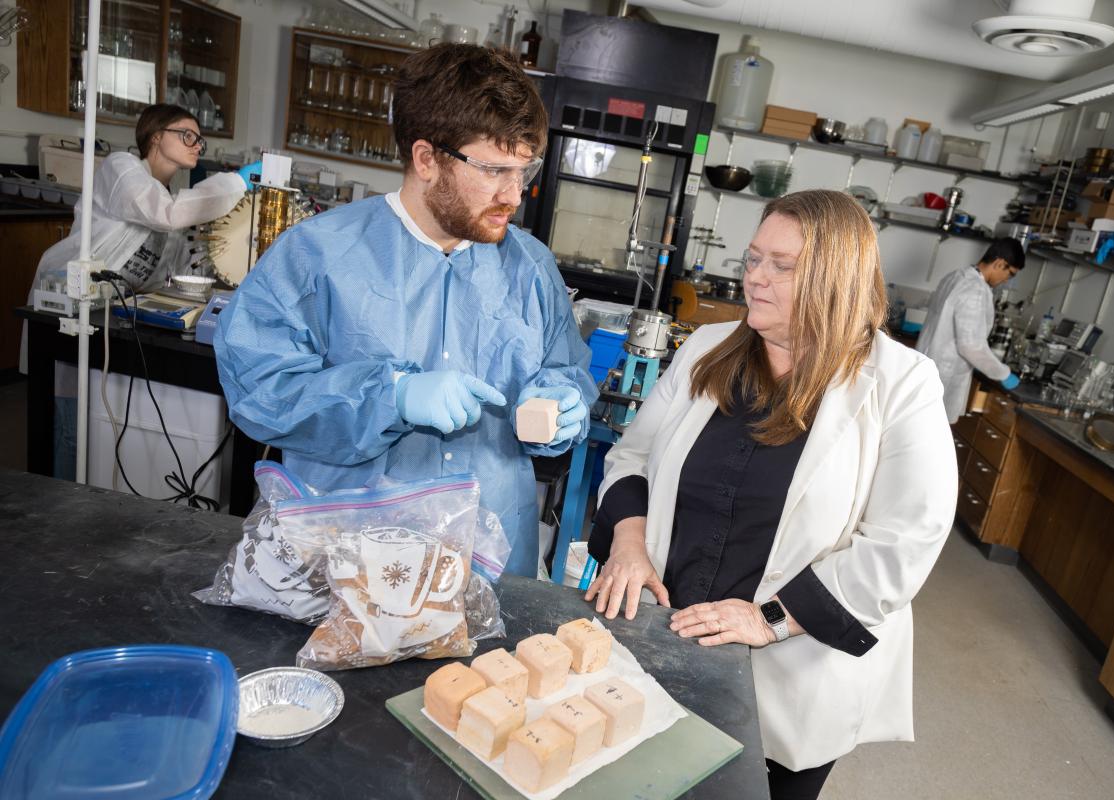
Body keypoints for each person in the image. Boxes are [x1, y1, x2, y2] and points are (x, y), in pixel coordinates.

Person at [582, 191, 957, 800]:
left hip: (793, 663)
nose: (754, 276)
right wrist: (627, 541)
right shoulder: (709, 350)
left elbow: (905, 541)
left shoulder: (899, 383)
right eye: (754, 258)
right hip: (667, 630)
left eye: (782, 266)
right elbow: (633, 456)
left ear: (836, 278)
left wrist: (769, 618)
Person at [213, 44, 596, 578]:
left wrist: (563, 403)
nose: (515, 194)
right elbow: (258, 391)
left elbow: (565, 368)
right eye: (493, 170)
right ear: (427, 159)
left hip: (487, 565)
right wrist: (390, 397)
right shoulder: (318, 256)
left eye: (524, 169)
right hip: (349, 562)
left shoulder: (531, 267)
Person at [23, 103, 255, 478]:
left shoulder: (173, 196)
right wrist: (237, 181)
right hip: (67, 297)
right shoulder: (122, 168)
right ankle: (55, 497)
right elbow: (164, 213)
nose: (197, 145)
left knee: (98, 412)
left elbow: (174, 272)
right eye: (187, 134)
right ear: (155, 135)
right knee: (66, 411)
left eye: (200, 139)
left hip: (109, 312)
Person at [916, 238, 1026, 423]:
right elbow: (971, 346)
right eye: (1010, 274)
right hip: (942, 374)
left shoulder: (956, 276)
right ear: (999, 263)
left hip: (925, 366)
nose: (1006, 281)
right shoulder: (974, 290)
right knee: (928, 435)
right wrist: (1003, 374)